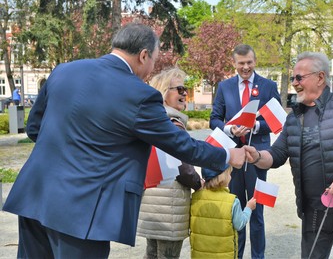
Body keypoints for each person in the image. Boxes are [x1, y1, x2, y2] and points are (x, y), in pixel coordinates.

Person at [2, 23, 247, 258]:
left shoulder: (64, 71)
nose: (152, 68)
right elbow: (181, 145)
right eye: (154, 59)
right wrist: (227, 155)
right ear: (143, 55)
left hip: (35, 195)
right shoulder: (139, 94)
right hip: (82, 211)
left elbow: (35, 128)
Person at [244, 51, 333, 259]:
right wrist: (256, 156)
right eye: (293, 78)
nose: (294, 83)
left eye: (299, 77)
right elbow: (277, 155)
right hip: (313, 210)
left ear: (320, 78)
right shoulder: (294, 118)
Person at [209, 44, 281, 258]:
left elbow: (277, 119)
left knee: (257, 212)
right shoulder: (225, 86)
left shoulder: (268, 86)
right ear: (235, 64)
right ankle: (236, 255)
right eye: (241, 63)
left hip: (258, 156)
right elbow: (214, 118)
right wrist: (230, 128)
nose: (246, 67)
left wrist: (256, 126)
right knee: (236, 208)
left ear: (255, 61)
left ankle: (258, 256)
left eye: (249, 62)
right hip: (233, 156)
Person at [137, 67, 202, 259]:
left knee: (152, 254)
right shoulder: (174, 125)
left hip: (152, 203)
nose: (185, 93)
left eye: (185, 89)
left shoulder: (151, 122)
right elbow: (183, 168)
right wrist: (198, 183)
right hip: (170, 205)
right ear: (164, 93)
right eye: (179, 89)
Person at [190, 165, 257, 258]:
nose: (231, 176)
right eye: (229, 174)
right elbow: (239, 224)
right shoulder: (232, 201)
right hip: (224, 254)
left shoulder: (195, 197)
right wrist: (248, 208)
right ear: (223, 177)